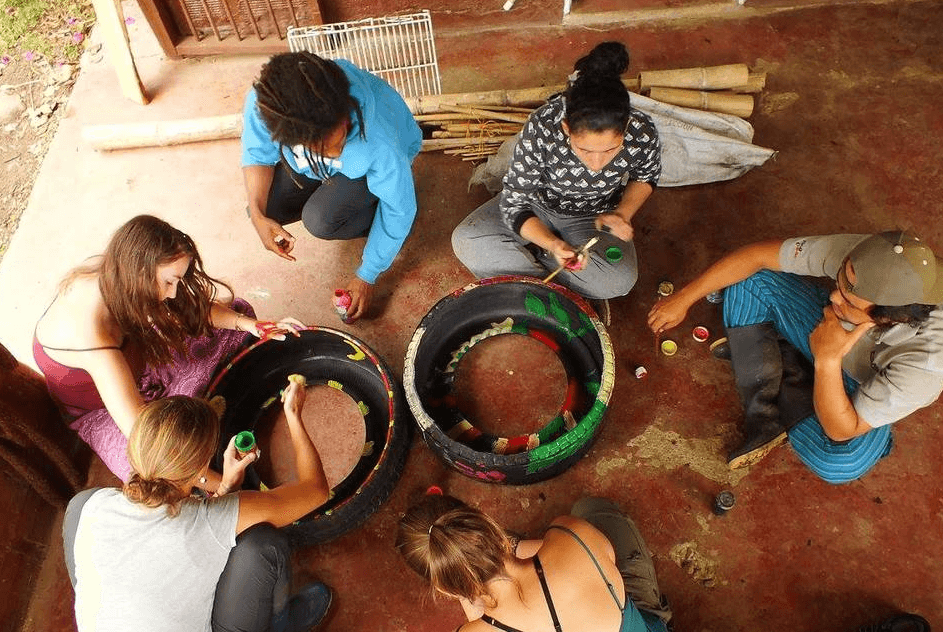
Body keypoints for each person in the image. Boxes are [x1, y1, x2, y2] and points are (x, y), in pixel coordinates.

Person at [63, 381, 332, 632]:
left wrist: (224, 491)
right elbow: (315, 491)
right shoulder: (209, 521)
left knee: (79, 515)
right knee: (261, 545)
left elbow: (184, 527)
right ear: (203, 466)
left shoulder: (92, 505)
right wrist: (293, 415)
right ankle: (274, 631)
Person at [647, 231, 943, 483]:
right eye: (841, 284)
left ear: (889, 318)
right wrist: (685, 297)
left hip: (860, 384)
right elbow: (759, 255)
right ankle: (767, 416)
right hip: (829, 335)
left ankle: (779, 362)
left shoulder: (929, 359)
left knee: (838, 462)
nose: (832, 295)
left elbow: (842, 429)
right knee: (748, 280)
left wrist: (827, 360)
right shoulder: (867, 258)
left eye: (849, 300)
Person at [33, 214, 302, 484]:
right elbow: (144, 435)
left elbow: (186, 309)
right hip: (102, 407)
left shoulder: (123, 271)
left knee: (235, 315)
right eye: (169, 282)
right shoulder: (92, 335)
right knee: (158, 472)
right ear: (140, 273)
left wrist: (252, 325)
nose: (173, 293)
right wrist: (216, 483)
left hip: (140, 353)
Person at [396, 494, 679, 632]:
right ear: (490, 525)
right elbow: (588, 553)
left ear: (444, 590)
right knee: (591, 509)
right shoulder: (573, 536)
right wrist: (509, 547)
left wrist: (470, 591)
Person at [451, 41, 661, 308]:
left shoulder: (641, 130)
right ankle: (556, 268)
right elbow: (515, 205)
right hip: (536, 205)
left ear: (626, 126)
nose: (596, 164)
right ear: (566, 127)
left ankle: (531, 268)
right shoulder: (543, 126)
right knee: (468, 240)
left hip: (594, 216)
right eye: (585, 150)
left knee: (619, 281)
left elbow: (646, 176)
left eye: (610, 150)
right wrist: (552, 244)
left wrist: (623, 213)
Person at [241, 52, 423, 321]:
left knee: (320, 221)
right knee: (263, 207)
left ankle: (378, 228)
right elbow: (256, 156)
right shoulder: (265, 105)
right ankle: (325, 189)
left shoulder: (377, 140)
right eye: (324, 147)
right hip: (311, 164)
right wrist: (258, 215)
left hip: (365, 168)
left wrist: (368, 274)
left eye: (341, 138)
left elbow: (399, 208)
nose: (338, 152)